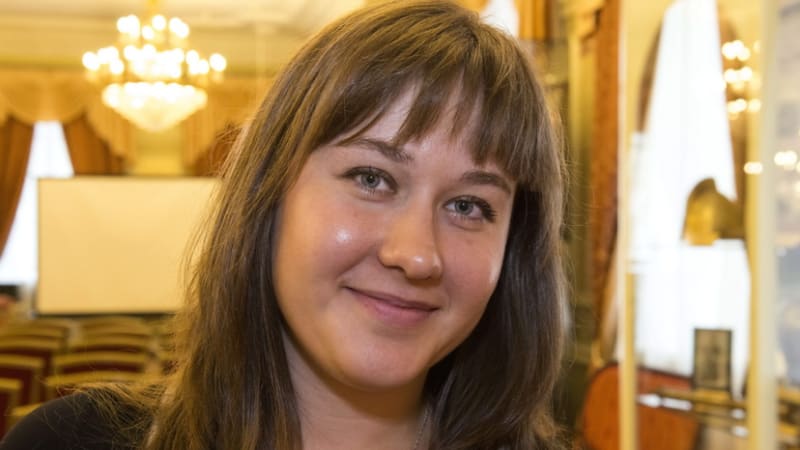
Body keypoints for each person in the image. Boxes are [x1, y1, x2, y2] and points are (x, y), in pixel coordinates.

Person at [0, 1, 567, 448]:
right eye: (372, 178)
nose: (417, 254)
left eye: (469, 206)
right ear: (268, 194)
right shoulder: (67, 441)